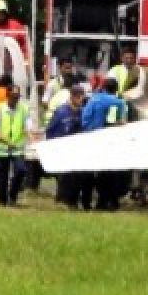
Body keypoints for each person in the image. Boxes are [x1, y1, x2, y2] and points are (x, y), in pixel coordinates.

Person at [82, 78, 129, 210]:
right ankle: (108, 202)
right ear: (114, 90)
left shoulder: (95, 97)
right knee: (106, 172)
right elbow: (120, 103)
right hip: (98, 136)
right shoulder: (108, 99)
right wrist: (120, 120)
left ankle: (87, 203)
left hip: (87, 133)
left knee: (89, 172)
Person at [47, 83, 90, 208]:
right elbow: (51, 130)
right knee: (65, 177)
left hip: (77, 149)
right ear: (73, 96)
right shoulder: (61, 111)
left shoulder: (82, 111)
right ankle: (63, 200)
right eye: (79, 96)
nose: (81, 99)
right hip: (63, 148)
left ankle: (73, 201)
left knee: (77, 176)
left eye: (82, 96)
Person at [0, 85, 32, 207]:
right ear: (7, 96)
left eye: (18, 97)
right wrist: (7, 141)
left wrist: (30, 137)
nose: (16, 100)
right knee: (1, 178)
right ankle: (3, 201)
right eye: (13, 97)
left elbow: (27, 126)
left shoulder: (24, 109)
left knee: (20, 170)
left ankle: (12, 195)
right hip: (1, 149)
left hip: (17, 149)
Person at [41, 57, 77, 126]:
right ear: (60, 68)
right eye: (66, 68)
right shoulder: (52, 84)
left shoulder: (74, 82)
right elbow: (44, 102)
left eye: (70, 68)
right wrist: (56, 111)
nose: (68, 71)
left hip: (67, 119)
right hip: (54, 121)